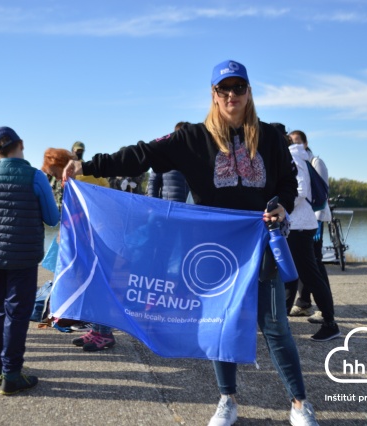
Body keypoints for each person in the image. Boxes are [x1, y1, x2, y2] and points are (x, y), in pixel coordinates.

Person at [62, 60, 319, 426]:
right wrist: (88, 165)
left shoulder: (272, 136)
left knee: (276, 325)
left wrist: (280, 204)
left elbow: (288, 185)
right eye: (223, 89)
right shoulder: (192, 138)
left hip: (261, 247)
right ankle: (227, 399)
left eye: (238, 88)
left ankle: (299, 403)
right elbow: (142, 154)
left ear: (249, 92)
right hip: (216, 252)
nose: (232, 96)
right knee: (221, 322)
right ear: (213, 95)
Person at [0, 127, 60, 394]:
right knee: (17, 314)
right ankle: (12, 374)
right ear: (21, 144)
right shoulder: (35, 177)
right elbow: (51, 218)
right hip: (23, 256)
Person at [42, 148, 117, 350]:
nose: (56, 179)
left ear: (61, 163)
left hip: (99, 239)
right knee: (93, 285)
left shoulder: (83, 178)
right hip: (95, 238)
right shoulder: (79, 177)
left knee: (99, 285)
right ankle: (97, 330)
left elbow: (92, 210)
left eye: (55, 173)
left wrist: (68, 229)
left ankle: (105, 333)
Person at [277, 126, 341, 342]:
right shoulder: (289, 157)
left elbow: (301, 190)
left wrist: (279, 204)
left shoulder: (293, 159)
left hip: (299, 225)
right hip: (293, 224)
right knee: (289, 274)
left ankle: (330, 323)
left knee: (310, 275)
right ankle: (281, 318)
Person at [288, 130, 333, 325]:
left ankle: (327, 315)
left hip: (311, 219)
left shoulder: (314, 161)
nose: (296, 144)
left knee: (313, 267)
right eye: (292, 141)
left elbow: (318, 194)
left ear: (306, 143)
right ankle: (304, 303)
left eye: (298, 141)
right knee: (302, 269)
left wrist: (318, 223)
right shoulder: (297, 158)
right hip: (300, 221)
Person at [147, 122, 191, 202]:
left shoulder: (195, 159)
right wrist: (153, 204)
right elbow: (153, 183)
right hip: (168, 209)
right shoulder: (163, 156)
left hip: (189, 210)